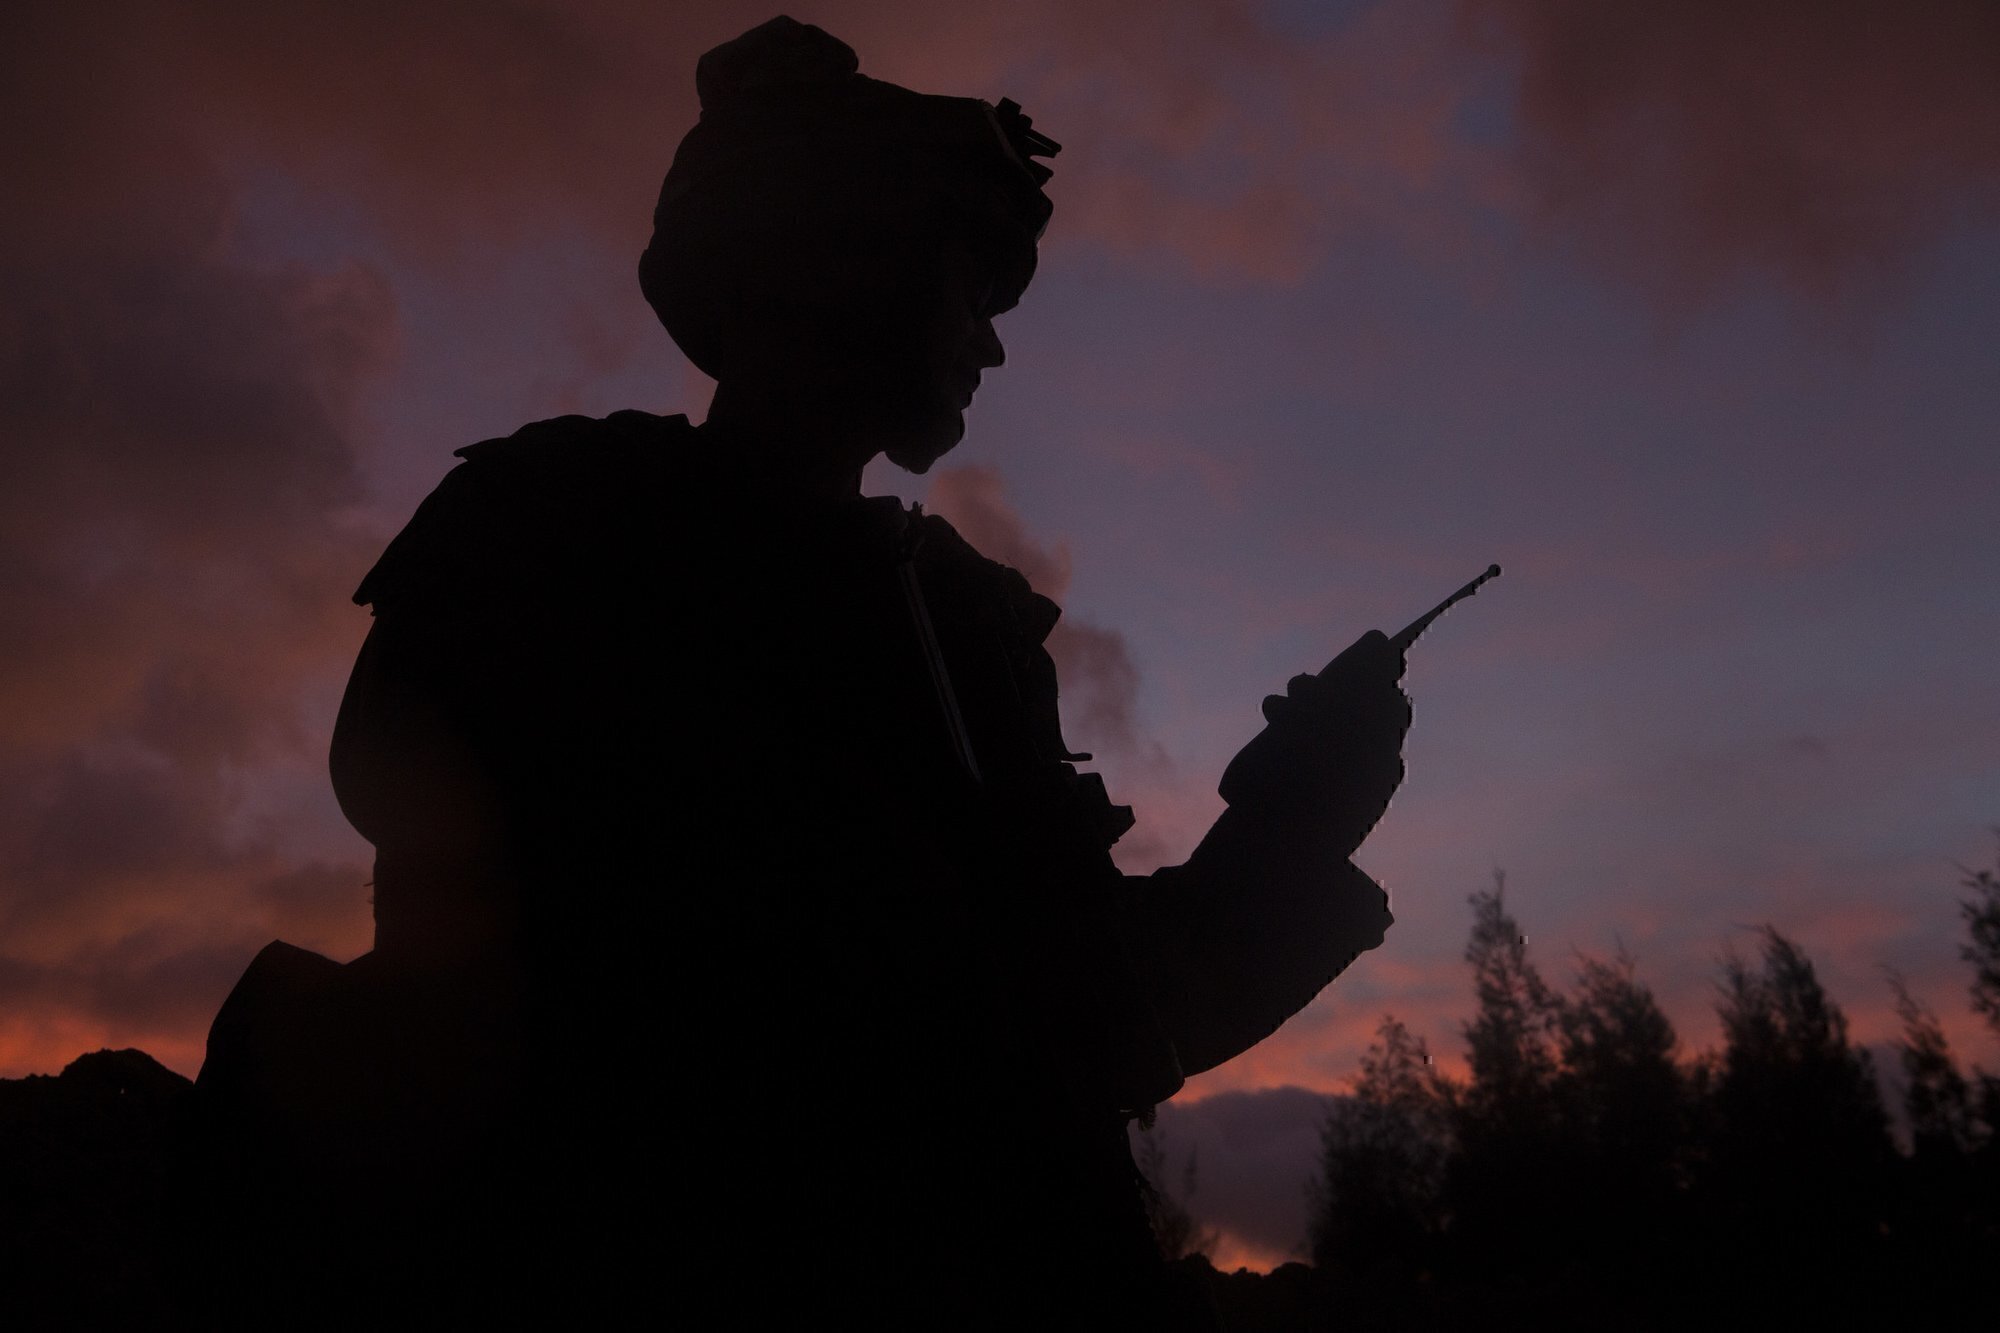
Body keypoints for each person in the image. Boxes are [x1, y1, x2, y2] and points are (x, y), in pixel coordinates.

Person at [193, 16, 1408, 1327]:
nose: (988, 345)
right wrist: (1269, 856)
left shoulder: (957, 616)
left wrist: (1286, 829)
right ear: (844, 254)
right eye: (963, 280)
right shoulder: (555, 529)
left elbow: (1071, 1014)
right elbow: (955, 1034)